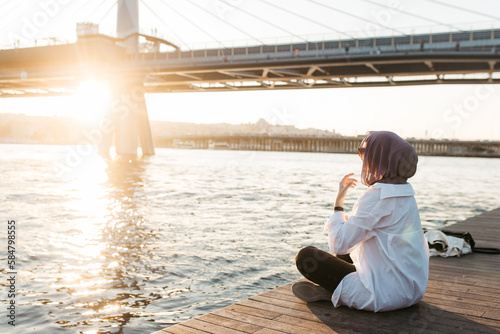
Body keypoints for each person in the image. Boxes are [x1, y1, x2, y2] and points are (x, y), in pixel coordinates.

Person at [293, 131, 429, 312]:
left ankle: (338, 293)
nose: (364, 160)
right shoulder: (406, 193)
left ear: (379, 158)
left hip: (383, 296)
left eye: (366, 154)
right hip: (412, 291)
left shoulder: (377, 196)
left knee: (306, 257)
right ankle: (339, 290)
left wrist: (338, 204)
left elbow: (338, 244)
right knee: (350, 247)